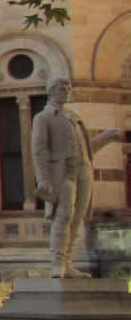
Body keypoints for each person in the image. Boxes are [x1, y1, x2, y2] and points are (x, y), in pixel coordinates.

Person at [32, 76, 121, 278]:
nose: (66, 91)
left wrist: (107, 137)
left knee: (77, 219)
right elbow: (39, 151)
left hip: (84, 172)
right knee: (63, 216)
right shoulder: (43, 118)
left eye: (68, 88)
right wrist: (43, 178)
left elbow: (88, 149)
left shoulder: (74, 117)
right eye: (62, 88)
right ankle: (57, 263)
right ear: (51, 91)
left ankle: (68, 263)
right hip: (62, 174)